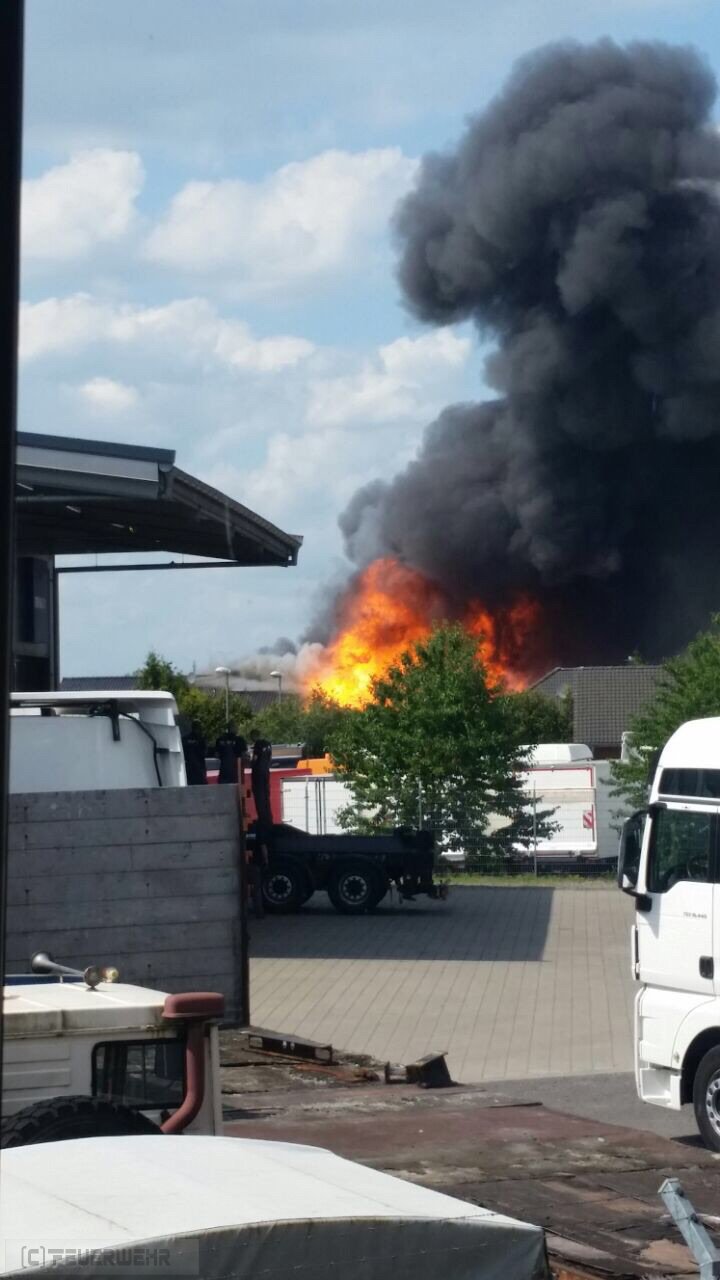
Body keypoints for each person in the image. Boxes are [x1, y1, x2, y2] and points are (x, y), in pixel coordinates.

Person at [181, 719, 207, 786]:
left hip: (189, 767)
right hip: (199, 768)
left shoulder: (185, 739)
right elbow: (204, 753)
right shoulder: (201, 739)